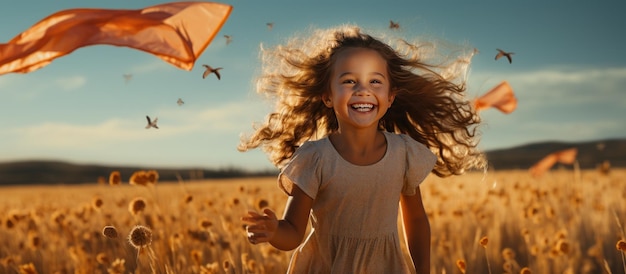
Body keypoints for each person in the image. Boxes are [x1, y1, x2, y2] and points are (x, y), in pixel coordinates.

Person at [240, 25, 484, 273]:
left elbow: (417, 220)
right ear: (327, 96)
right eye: (349, 81)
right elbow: (292, 232)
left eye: (375, 81)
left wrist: (423, 270)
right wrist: (273, 231)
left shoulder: (403, 154)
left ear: (390, 97)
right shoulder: (314, 158)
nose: (363, 90)